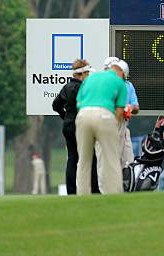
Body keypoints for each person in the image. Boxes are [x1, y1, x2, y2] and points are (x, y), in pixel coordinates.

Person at [75, 62, 127, 195]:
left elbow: (79, 102)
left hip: (83, 115)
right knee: (111, 158)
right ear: (122, 73)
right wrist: (111, 128)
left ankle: (82, 195)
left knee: (84, 159)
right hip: (105, 115)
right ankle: (114, 194)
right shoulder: (120, 82)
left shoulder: (91, 77)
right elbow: (120, 111)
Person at [52, 59, 99, 194]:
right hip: (81, 124)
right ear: (82, 73)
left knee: (72, 157)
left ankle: (71, 191)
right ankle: (95, 189)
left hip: (68, 125)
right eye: (87, 73)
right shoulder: (83, 87)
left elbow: (56, 105)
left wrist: (65, 117)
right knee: (92, 157)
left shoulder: (66, 87)